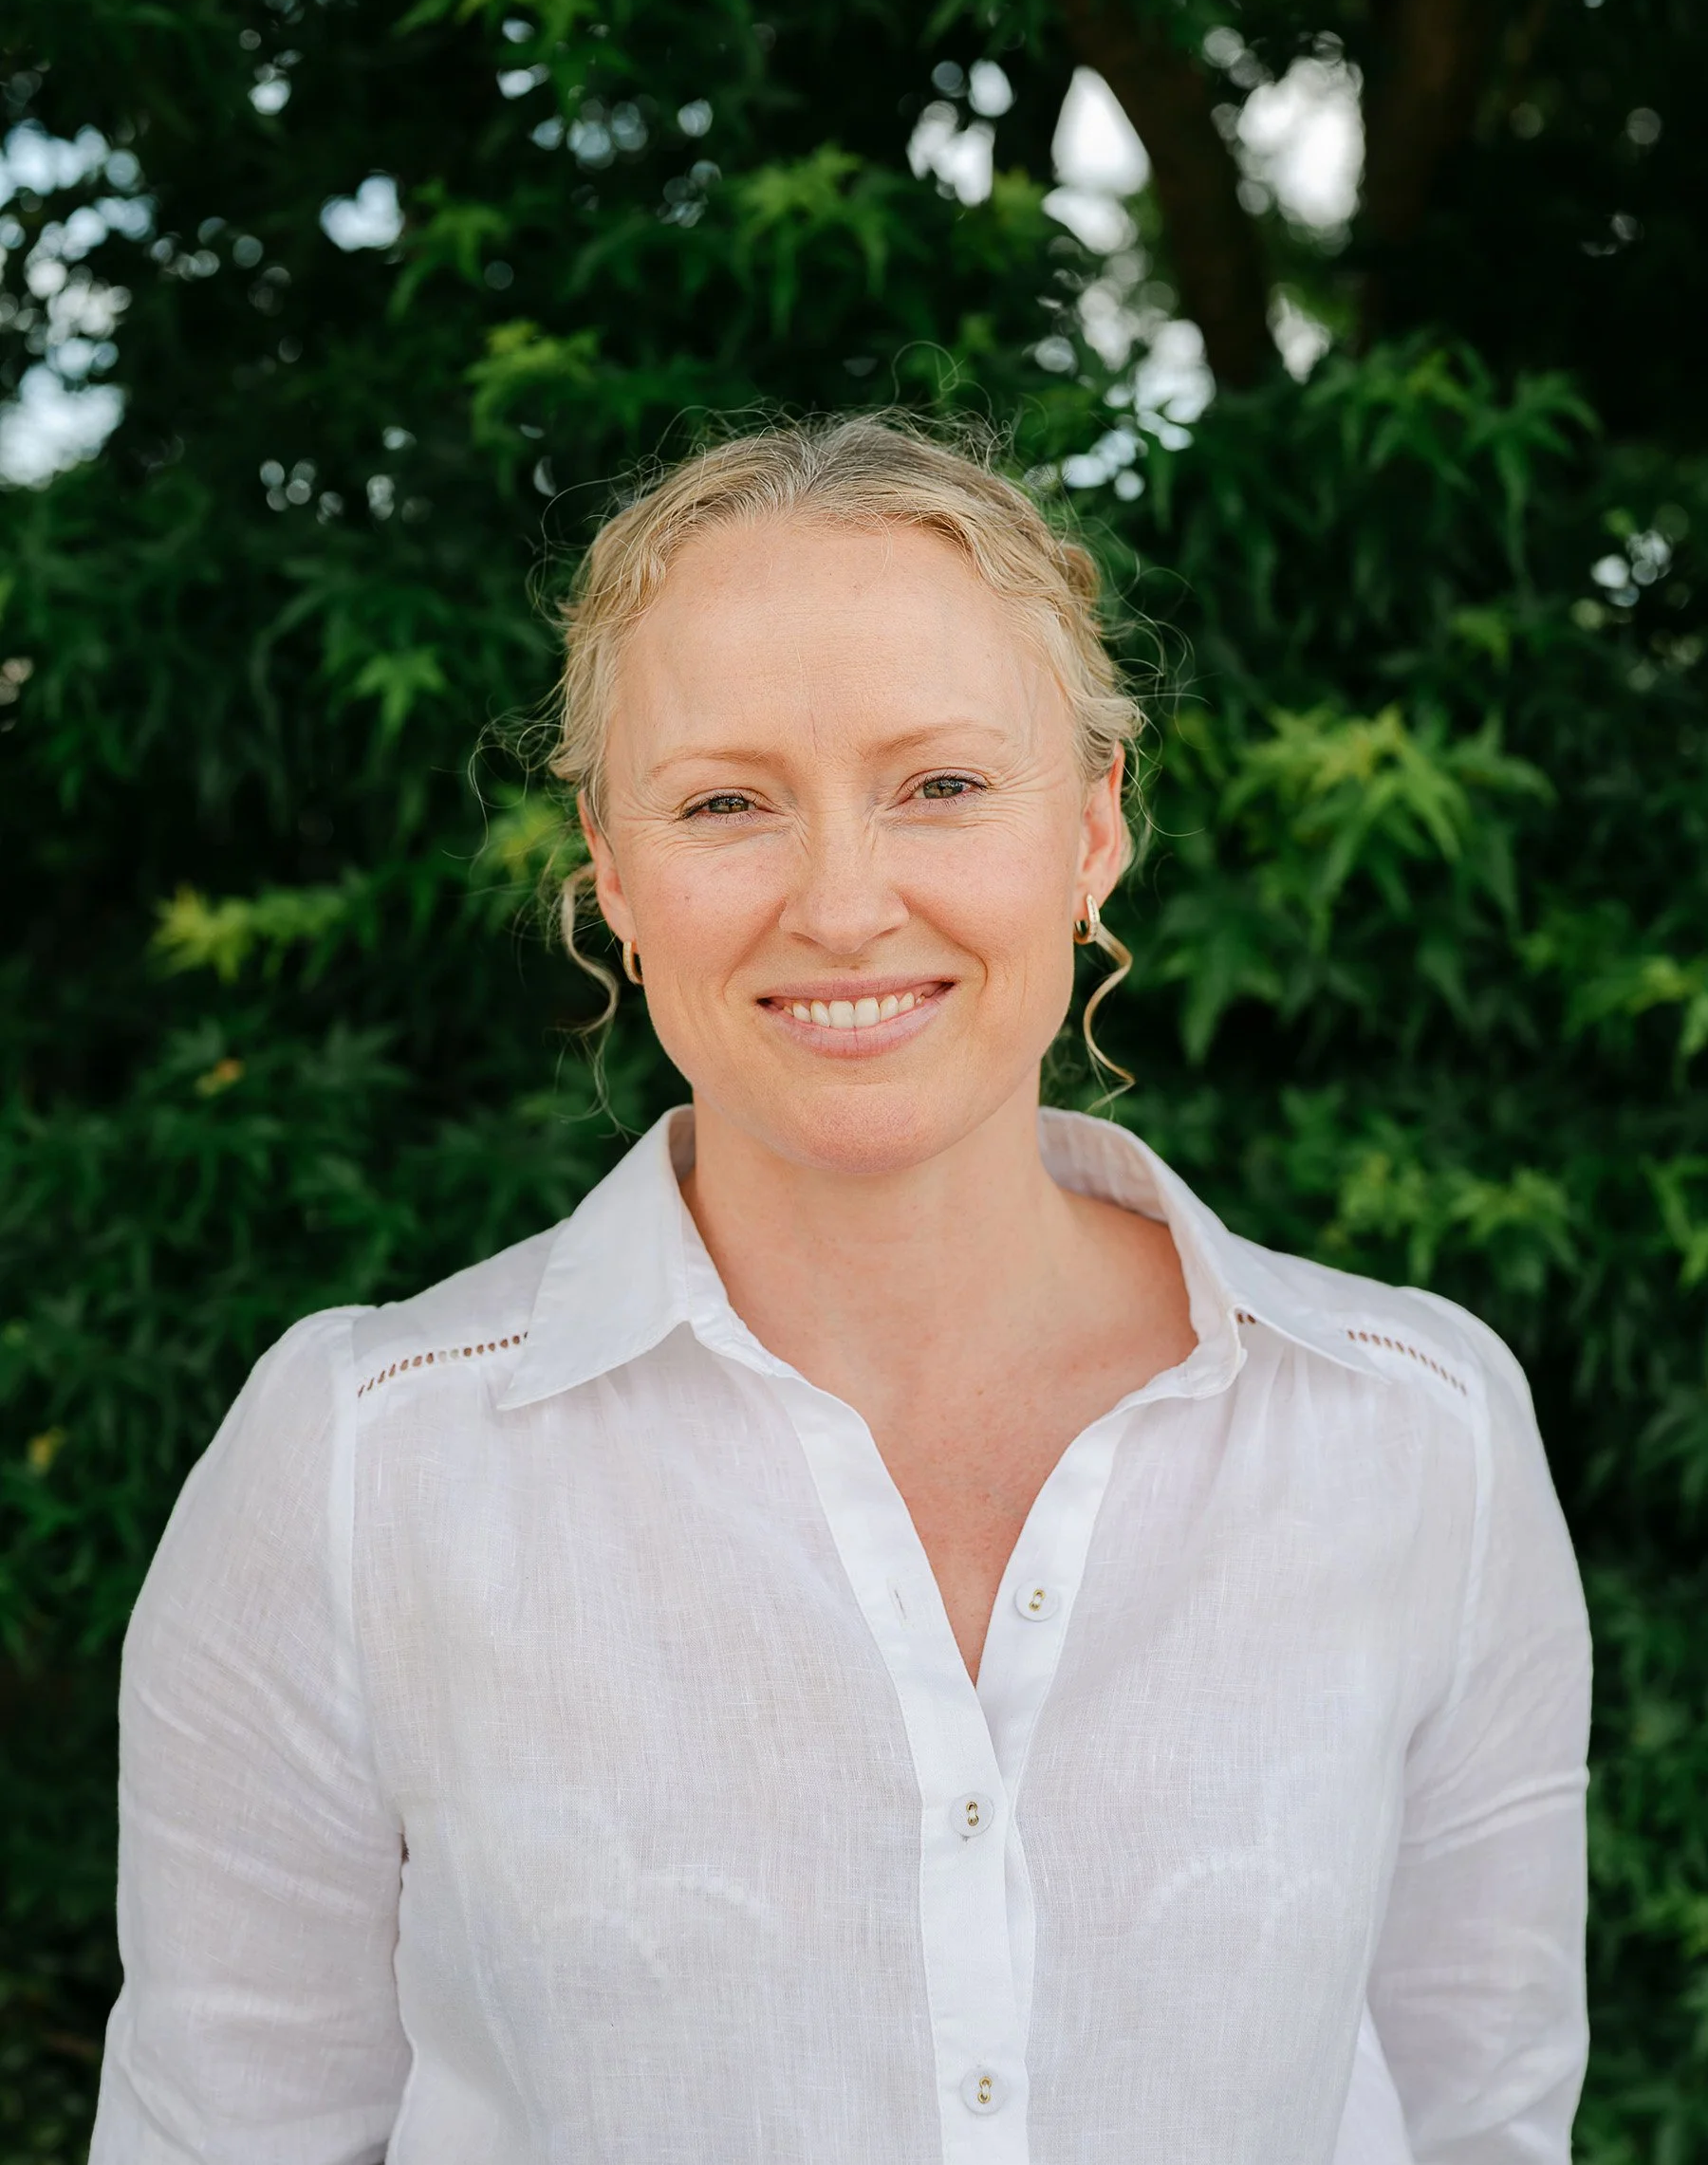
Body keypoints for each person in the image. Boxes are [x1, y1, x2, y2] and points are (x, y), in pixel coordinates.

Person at [91, 419, 1589, 2165]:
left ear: (1094, 829)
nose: (844, 902)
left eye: (942, 785)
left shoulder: (1418, 1427)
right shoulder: (357, 1467)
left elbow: (1486, 2120)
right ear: (614, 873)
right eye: (727, 803)